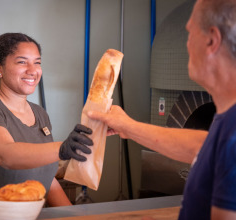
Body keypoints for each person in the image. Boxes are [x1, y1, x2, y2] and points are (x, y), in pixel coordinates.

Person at [88, 0, 236, 219]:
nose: (186, 44)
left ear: (212, 40)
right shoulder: (226, 121)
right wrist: (128, 126)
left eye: (190, 33)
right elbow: (201, 145)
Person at [0, 33, 93, 210]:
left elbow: (46, 178)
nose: (32, 70)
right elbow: (5, 155)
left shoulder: (40, 113)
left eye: (37, 62)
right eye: (22, 62)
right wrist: (62, 148)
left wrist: (75, 216)